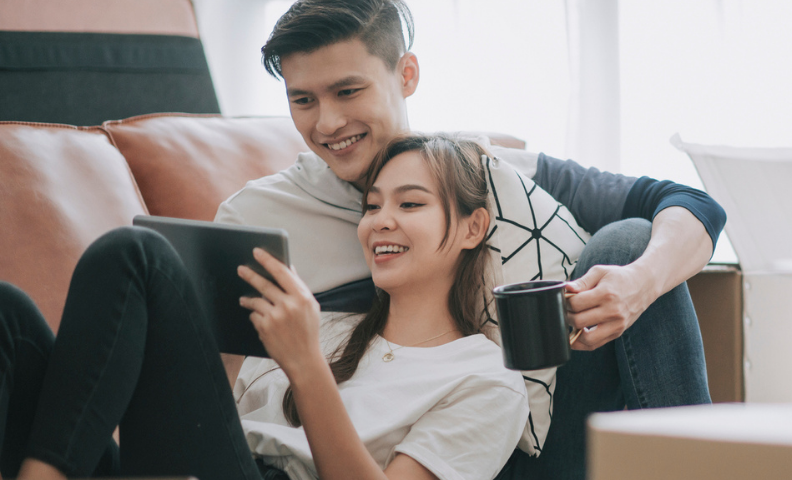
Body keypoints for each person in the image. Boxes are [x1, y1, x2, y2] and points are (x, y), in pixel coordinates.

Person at [217, 1, 726, 478]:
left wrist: (639, 282)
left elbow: (693, 204)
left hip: (505, 436)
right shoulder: (257, 217)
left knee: (629, 242)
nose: (327, 123)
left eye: (348, 91)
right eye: (303, 99)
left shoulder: (493, 176)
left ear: (406, 75)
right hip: (351, 443)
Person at [0, 133, 528, 480]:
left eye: (409, 204)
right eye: (372, 206)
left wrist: (305, 365)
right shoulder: (325, 327)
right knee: (8, 316)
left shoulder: (488, 381)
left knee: (137, 255)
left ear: (472, 227)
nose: (380, 221)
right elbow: (208, 425)